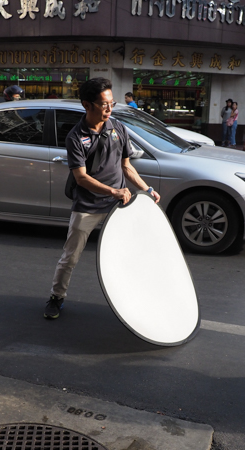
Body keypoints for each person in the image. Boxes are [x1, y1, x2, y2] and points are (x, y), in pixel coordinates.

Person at [45, 77, 160, 320]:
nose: (109, 108)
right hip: (87, 206)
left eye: (112, 103)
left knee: (130, 254)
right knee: (70, 257)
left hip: (118, 206)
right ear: (87, 105)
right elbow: (81, 178)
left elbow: (126, 167)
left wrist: (147, 189)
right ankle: (57, 297)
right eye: (104, 104)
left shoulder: (118, 128)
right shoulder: (75, 137)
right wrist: (112, 191)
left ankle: (135, 302)